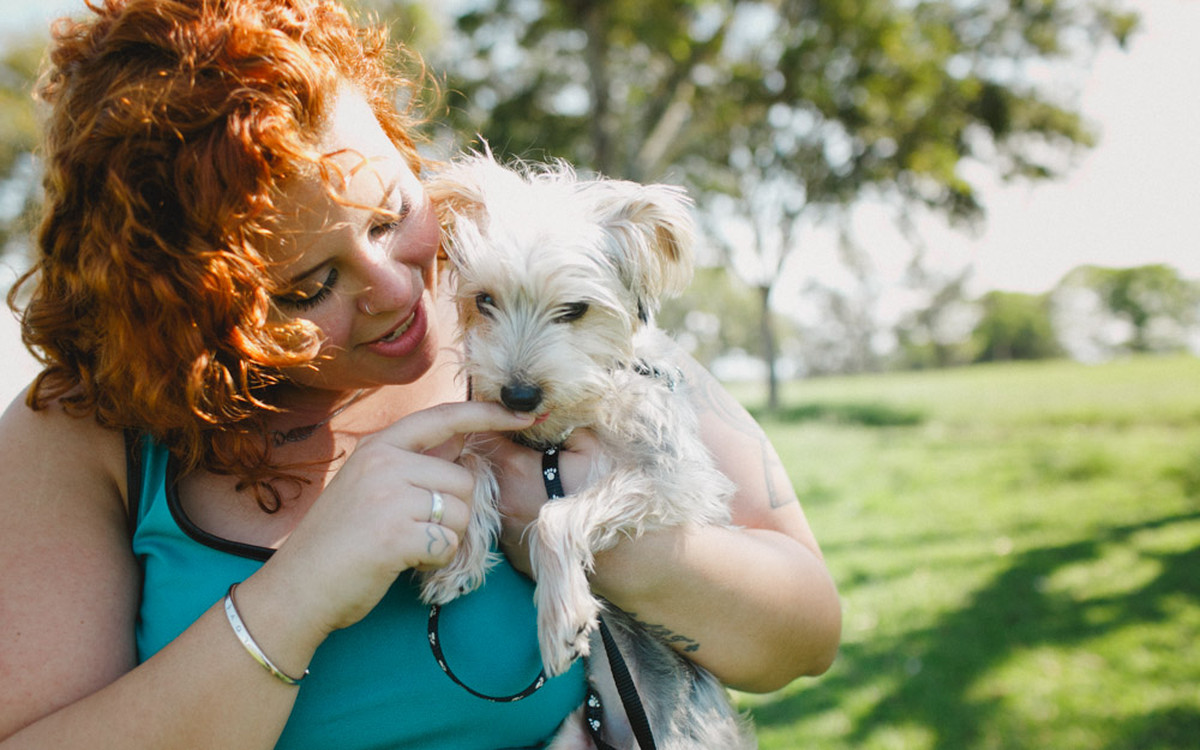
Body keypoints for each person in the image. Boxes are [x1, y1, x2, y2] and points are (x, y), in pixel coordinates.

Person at [0, 0, 841, 747]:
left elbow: (805, 637)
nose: (402, 290)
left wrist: (599, 539)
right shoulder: (80, 429)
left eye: (393, 213)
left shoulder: (547, 300)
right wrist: (295, 596)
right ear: (184, 313)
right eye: (309, 286)